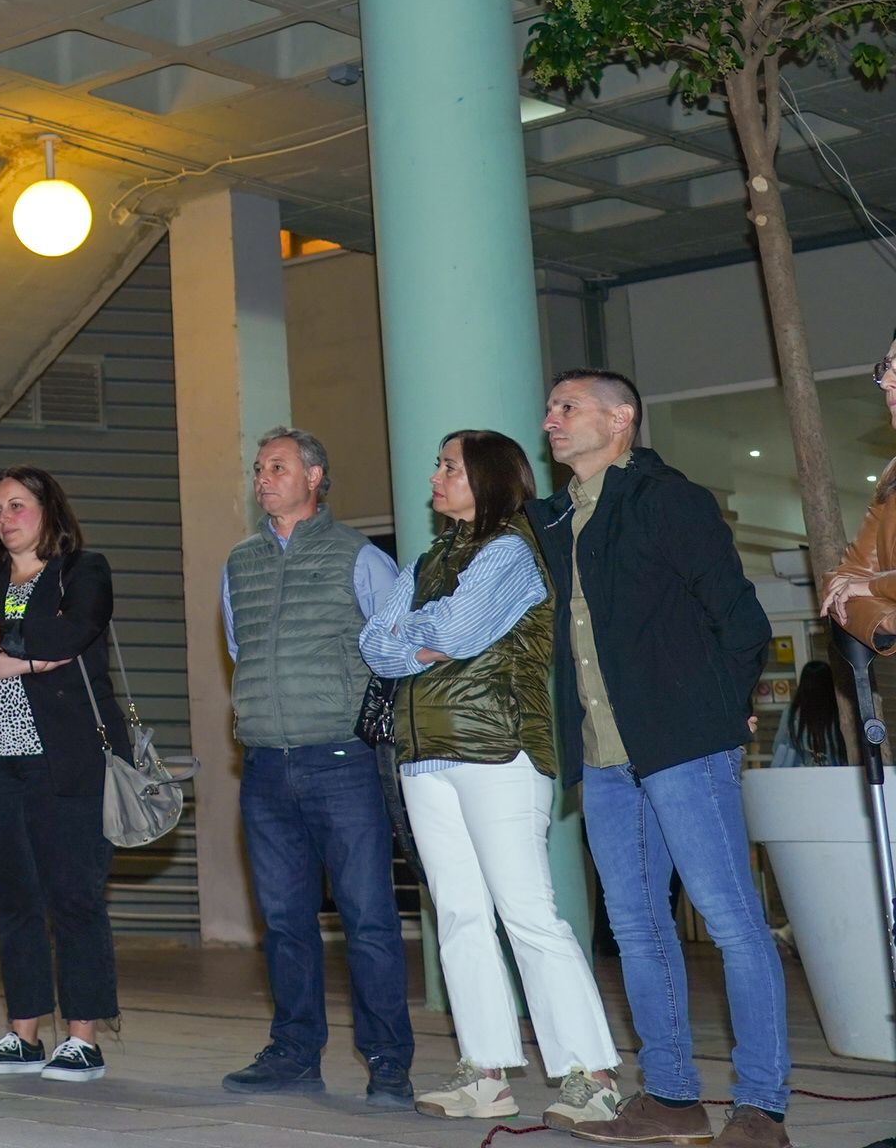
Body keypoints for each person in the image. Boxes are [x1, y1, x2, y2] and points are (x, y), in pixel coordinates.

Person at [536, 369, 784, 1148]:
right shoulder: (555, 521)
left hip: (682, 743)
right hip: (605, 758)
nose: (551, 421)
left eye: (567, 407)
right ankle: (673, 1096)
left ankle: (762, 1106)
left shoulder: (667, 500)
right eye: (550, 410)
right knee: (639, 931)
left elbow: (740, 616)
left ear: (621, 420)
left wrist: (721, 707)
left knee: (733, 923)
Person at [357, 430, 623, 1127]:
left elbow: (458, 631)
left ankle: (589, 1076)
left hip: (498, 750)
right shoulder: (429, 558)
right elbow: (373, 643)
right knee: (461, 917)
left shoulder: (511, 551)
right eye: (439, 463)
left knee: (528, 915)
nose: (436, 475)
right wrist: (417, 637)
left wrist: (415, 637)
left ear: (488, 477)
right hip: (425, 755)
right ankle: (486, 1073)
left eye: (449, 466)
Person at [219, 426, 415, 1107]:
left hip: (342, 762)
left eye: (276, 466)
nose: (262, 478)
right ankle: (294, 1052)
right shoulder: (239, 563)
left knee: (368, 918)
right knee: (284, 920)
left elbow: (397, 647)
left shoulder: (359, 557)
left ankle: (389, 1060)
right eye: (257, 469)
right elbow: (240, 650)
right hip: (267, 765)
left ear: (314, 476)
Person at [0, 466, 123, 1082]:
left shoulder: (83, 571)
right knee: (14, 899)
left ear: (48, 512)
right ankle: (24, 1034)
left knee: (74, 896)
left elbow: (72, 632)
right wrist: (23, 655)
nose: (4, 518)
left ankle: (84, 1037)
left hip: (64, 761)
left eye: (17, 505)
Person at [822, 330, 896, 657]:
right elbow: (839, 586)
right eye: (888, 367)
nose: (887, 381)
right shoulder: (893, 476)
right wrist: (890, 620)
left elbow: (857, 584)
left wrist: (871, 586)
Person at [769, 662, 846, 769]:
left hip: (801, 774)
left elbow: (779, 745)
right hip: (838, 772)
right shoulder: (839, 711)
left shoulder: (792, 711)